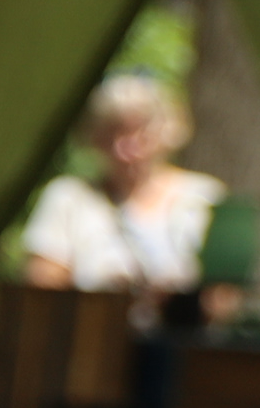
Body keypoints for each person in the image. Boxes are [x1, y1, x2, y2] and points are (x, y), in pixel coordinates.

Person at [19, 75, 221, 305]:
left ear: (165, 132)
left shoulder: (205, 197)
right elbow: (41, 287)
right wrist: (109, 292)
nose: (124, 149)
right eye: (110, 135)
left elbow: (225, 295)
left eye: (139, 134)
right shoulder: (69, 197)